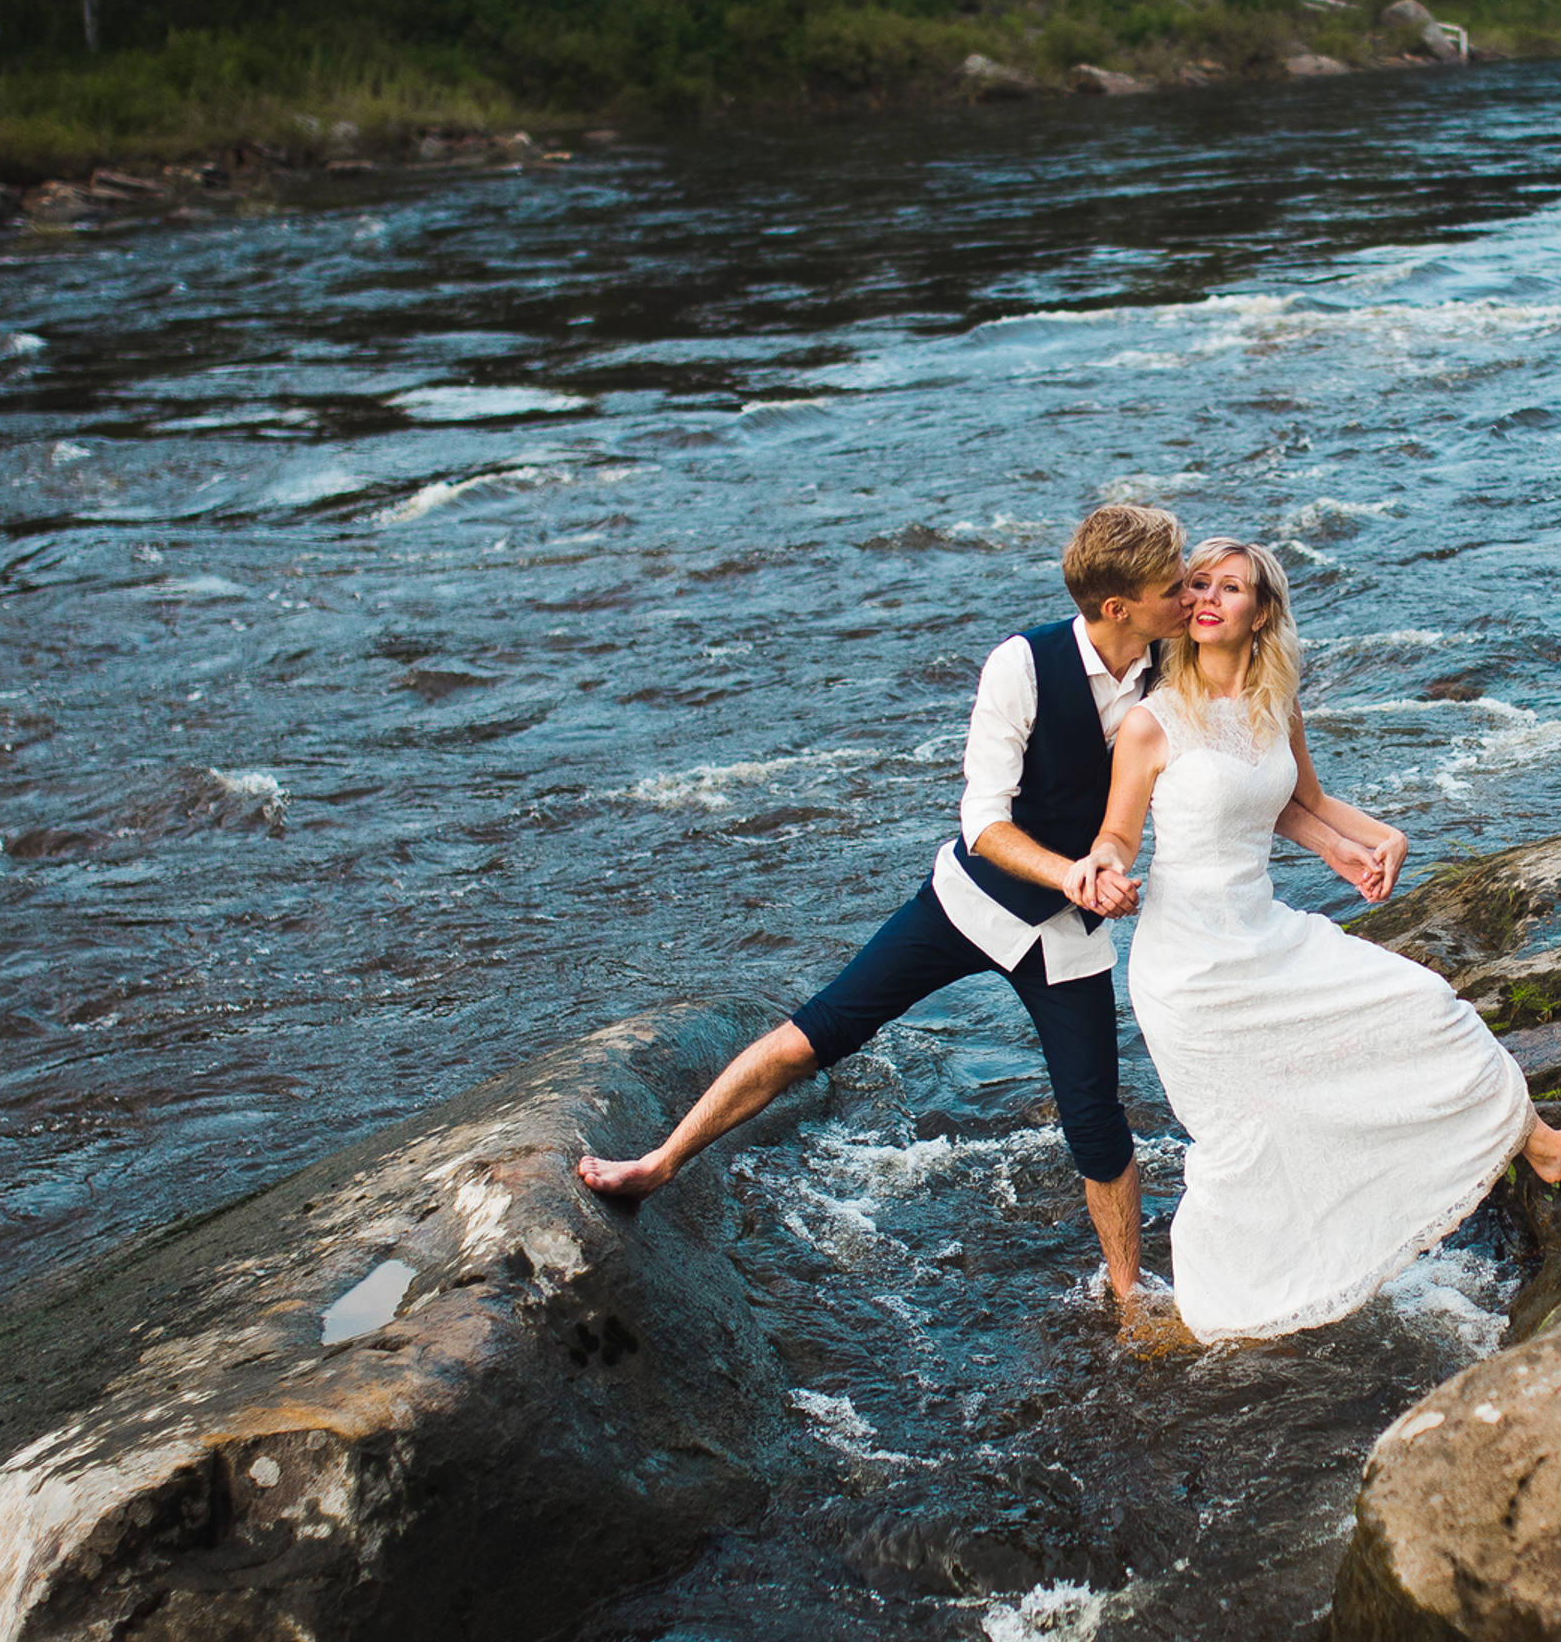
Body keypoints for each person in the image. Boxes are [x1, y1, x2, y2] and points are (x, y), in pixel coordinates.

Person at [573, 504, 1367, 1307]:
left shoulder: (1180, 670)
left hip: (1068, 936)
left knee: (1097, 1125)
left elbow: (1249, 778)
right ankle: (657, 1165)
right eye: (1175, 587)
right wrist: (1071, 874)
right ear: (1120, 608)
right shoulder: (1020, 666)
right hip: (969, 905)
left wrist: (1341, 841)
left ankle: (1126, 1297)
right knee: (814, 1035)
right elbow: (983, 822)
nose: (1192, 597)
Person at [1069, 538, 1561, 1342]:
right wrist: (1102, 868)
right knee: (1244, 1141)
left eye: (1230, 588)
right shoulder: (1151, 722)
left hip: (1266, 935)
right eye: (1198, 585)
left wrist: (1374, 837)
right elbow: (1117, 836)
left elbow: (1300, 802)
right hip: (1190, 967)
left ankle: (1538, 1145)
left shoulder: (1274, 704)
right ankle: (1220, 1312)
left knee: (1424, 1006)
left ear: (1260, 612)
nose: (1207, 598)